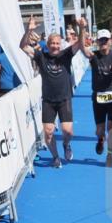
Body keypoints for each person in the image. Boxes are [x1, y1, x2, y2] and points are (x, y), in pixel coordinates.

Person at [20, 15, 86, 168]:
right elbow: (23, 46)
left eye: (57, 43)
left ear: (61, 45)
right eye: (52, 44)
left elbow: (80, 45)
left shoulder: (66, 54)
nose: (55, 46)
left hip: (64, 99)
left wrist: (82, 28)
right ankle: (56, 157)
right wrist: (28, 31)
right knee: (48, 133)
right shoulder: (40, 56)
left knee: (68, 132)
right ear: (48, 45)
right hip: (48, 100)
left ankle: (66, 145)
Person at [83, 29, 112, 167]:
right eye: (101, 40)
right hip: (98, 97)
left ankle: (110, 157)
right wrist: (82, 29)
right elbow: (83, 49)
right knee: (100, 130)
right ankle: (100, 139)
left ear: (110, 41)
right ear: (97, 42)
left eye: (106, 40)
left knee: (111, 128)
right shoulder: (93, 56)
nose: (103, 43)